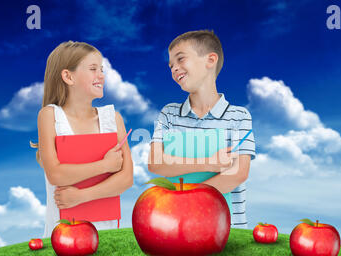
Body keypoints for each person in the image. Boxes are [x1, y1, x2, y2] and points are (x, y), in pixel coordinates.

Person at [148, 30, 255, 228]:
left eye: (180, 59)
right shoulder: (169, 114)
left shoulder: (239, 116)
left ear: (210, 60)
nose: (174, 69)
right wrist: (209, 163)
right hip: (176, 225)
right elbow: (156, 164)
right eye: (171, 65)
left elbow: (238, 172)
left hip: (227, 227)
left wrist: (183, 200)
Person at [31, 41, 133, 237]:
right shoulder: (50, 116)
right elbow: (56, 175)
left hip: (106, 232)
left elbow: (126, 179)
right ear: (68, 76)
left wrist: (81, 196)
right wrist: (105, 165)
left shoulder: (113, 118)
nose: (101, 75)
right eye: (93, 69)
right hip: (62, 233)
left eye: (101, 69)